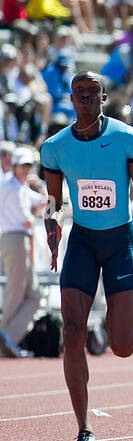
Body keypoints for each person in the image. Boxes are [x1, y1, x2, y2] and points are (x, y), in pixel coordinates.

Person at [40, 72, 133, 441]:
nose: (87, 99)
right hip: (83, 242)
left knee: (124, 346)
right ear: (71, 99)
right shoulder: (55, 147)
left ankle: (114, 314)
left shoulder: (127, 139)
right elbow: (53, 201)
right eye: (80, 93)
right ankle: (84, 430)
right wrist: (53, 227)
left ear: (104, 98)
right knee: (71, 330)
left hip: (120, 243)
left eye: (93, 93)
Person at [0, 147, 45, 356]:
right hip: (15, 239)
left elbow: (44, 201)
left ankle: (9, 336)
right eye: (23, 165)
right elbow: (27, 219)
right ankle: (4, 334)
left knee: (33, 294)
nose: (26, 169)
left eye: (28, 165)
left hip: (17, 240)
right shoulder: (11, 186)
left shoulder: (18, 186)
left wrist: (42, 188)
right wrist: (38, 212)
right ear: (15, 166)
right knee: (16, 292)